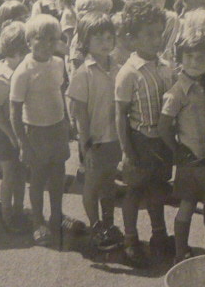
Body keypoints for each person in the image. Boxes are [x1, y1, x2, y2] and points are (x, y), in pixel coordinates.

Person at [10, 14, 83, 247]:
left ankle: (56, 216)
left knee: (58, 175)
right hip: (35, 132)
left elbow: (59, 92)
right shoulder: (23, 71)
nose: (47, 45)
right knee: (38, 179)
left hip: (57, 128)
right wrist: (22, 142)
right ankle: (37, 222)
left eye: (53, 39)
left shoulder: (59, 63)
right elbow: (14, 111)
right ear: (29, 40)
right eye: (41, 39)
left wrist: (67, 122)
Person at [114, 0, 174, 267]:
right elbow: (120, 115)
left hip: (161, 142)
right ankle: (130, 239)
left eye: (159, 32)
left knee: (158, 190)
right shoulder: (128, 73)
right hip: (139, 142)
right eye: (149, 34)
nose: (156, 39)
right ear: (132, 38)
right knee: (134, 192)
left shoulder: (165, 66)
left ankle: (159, 235)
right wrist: (127, 151)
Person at [158, 31, 205, 263]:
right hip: (191, 160)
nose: (194, 62)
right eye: (189, 56)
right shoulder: (176, 93)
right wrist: (176, 150)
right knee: (187, 205)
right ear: (180, 58)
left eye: (201, 57)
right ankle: (180, 251)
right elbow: (164, 127)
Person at [67, 13, 124, 251]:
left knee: (109, 184)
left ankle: (109, 223)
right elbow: (80, 113)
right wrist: (85, 143)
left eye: (108, 37)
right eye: (98, 37)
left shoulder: (118, 68)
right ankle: (95, 225)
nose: (104, 42)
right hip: (95, 141)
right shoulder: (84, 72)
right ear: (86, 41)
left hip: (115, 139)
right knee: (92, 185)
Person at [0, 22, 28, 233]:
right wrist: (13, 137)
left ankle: (19, 210)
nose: (21, 58)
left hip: (19, 130)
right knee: (9, 174)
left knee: (21, 174)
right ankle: (6, 214)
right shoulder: (0, 78)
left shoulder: (23, 72)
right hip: (4, 133)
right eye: (16, 53)